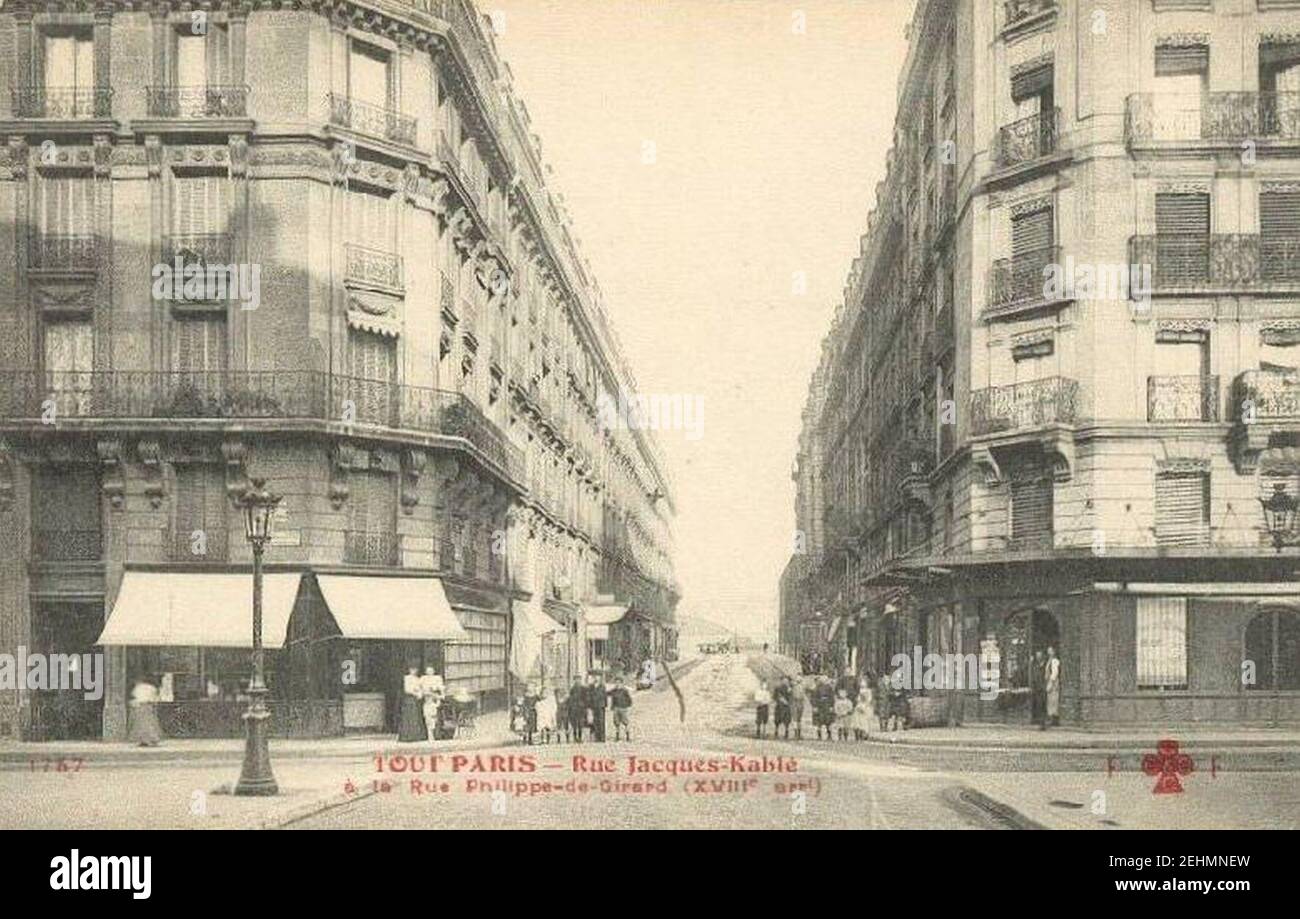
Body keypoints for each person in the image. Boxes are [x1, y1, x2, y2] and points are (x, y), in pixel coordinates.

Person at [128, 676, 163, 747]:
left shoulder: (139, 688)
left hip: (141, 706)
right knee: (149, 724)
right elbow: (155, 698)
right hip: (147, 706)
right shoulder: (151, 688)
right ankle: (148, 740)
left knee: (143, 724)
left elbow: (135, 696)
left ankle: (145, 740)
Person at [397, 665, 426, 743]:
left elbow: (421, 688)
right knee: (408, 717)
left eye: (415, 669)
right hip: (409, 699)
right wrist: (415, 693)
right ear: (409, 670)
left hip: (416, 700)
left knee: (416, 716)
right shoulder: (407, 678)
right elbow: (407, 689)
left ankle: (416, 735)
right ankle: (407, 736)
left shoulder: (418, 679)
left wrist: (420, 693)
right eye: (412, 669)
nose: (414, 671)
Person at [419, 666, 444, 743]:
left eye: (431, 671)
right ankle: (430, 735)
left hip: (434, 702)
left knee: (433, 719)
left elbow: (441, 692)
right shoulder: (423, 679)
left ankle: (434, 734)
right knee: (427, 718)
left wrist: (438, 698)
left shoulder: (437, 679)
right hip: (427, 702)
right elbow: (420, 692)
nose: (429, 672)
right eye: (428, 671)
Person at [812, 676, 835, 740]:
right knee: (819, 721)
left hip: (827, 705)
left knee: (828, 721)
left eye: (825, 679)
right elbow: (814, 698)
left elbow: (832, 697)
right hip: (820, 705)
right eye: (823, 679)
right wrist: (815, 706)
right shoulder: (817, 688)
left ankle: (829, 735)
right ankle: (819, 735)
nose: (824, 681)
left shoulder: (829, 688)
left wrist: (831, 706)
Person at [1044, 646, 1061, 729]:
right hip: (1049, 681)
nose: (1049, 652)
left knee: (1053, 700)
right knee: (1050, 700)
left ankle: (1053, 718)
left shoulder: (1054, 661)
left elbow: (1054, 673)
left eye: (1050, 651)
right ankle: (1051, 717)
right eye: (1048, 651)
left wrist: (1051, 682)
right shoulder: (1049, 661)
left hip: (1053, 683)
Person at [587, 673, 608, 742]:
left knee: (601, 722)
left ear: (600, 679)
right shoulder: (591, 687)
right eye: (594, 677)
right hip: (593, 706)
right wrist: (589, 706)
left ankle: (602, 737)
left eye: (598, 677)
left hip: (601, 706)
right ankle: (596, 737)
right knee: (595, 721)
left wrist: (605, 705)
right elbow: (589, 697)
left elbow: (605, 696)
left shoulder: (602, 687)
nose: (596, 678)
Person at [1029, 650, 1046, 727]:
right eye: (1037, 656)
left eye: (1039, 656)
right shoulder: (1035, 666)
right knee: (1036, 705)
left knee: (1041, 705)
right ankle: (1037, 720)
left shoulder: (1044, 665)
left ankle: (1042, 722)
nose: (1038, 657)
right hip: (1035, 688)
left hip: (1042, 688)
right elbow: (1033, 675)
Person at [567, 677, 587, 743]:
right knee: (574, 724)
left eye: (579, 679)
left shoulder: (583, 689)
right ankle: (575, 737)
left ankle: (580, 737)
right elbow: (570, 699)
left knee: (580, 724)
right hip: (574, 709)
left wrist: (584, 707)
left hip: (581, 709)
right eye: (576, 680)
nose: (577, 681)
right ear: (574, 681)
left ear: (580, 680)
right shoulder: (572, 689)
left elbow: (586, 698)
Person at [790, 675, 807, 740]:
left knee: (798, 719)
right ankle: (796, 733)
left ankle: (798, 734)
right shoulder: (795, 686)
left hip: (799, 702)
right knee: (796, 719)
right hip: (796, 702)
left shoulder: (800, 687)